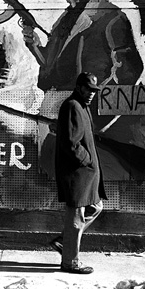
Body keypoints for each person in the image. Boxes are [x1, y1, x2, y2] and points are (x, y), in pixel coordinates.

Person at [48, 72, 107, 274]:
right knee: (76, 217)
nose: (91, 94)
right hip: (77, 173)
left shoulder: (80, 106)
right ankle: (70, 262)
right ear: (79, 87)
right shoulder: (73, 105)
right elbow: (71, 144)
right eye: (88, 89)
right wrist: (86, 160)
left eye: (94, 91)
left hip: (84, 173)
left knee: (96, 207)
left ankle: (64, 242)